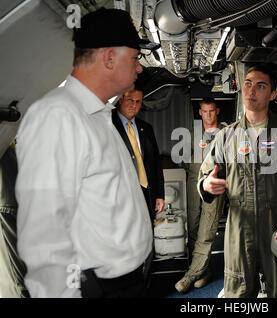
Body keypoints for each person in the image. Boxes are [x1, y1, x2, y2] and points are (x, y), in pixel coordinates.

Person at [15, 8, 158, 298]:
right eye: (135, 58)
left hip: (128, 279)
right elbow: (44, 236)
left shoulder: (99, 114)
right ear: (108, 58)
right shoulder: (59, 116)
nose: (139, 68)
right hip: (100, 287)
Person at [197, 64, 277, 298]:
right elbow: (205, 175)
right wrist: (206, 185)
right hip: (239, 228)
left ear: (273, 94)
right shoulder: (226, 136)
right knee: (238, 292)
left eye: (260, 86)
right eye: (248, 84)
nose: (251, 90)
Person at [175, 98, 227, 293]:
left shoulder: (226, 132)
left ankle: (191, 275)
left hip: (214, 184)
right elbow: (184, 159)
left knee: (208, 227)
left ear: (217, 111)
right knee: (193, 227)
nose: (208, 115)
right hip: (193, 182)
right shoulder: (192, 133)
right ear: (199, 113)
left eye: (211, 111)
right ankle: (203, 271)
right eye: (204, 111)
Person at [112, 86, 165, 222]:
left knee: (147, 232)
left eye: (138, 102)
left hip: (147, 191)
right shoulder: (109, 125)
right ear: (120, 100)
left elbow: (156, 163)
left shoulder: (146, 128)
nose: (133, 105)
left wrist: (160, 194)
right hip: (123, 193)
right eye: (130, 100)